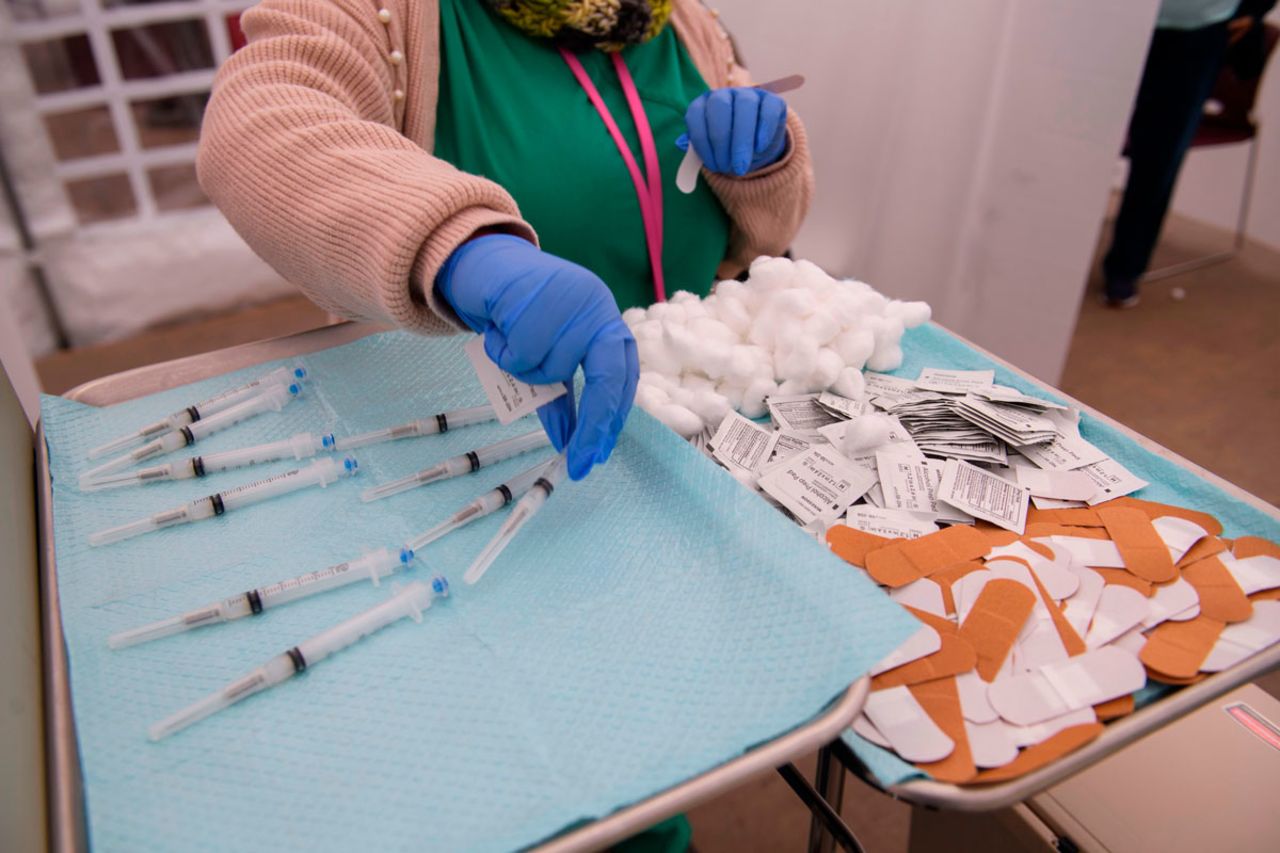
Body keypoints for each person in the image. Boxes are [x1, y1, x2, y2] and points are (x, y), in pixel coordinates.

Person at [197, 0, 813, 486]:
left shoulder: (683, 21)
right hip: (480, 442)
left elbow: (761, 246)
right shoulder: (381, 11)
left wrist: (763, 170)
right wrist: (460, 248)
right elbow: (259, 122)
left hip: (689, 424)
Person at [1103, 0, 1274, 307]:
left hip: (1198, 34)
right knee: (1084, 139)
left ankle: (1125, 267)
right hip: (1116, 22)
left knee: (1160, 154)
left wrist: (1252, 10)